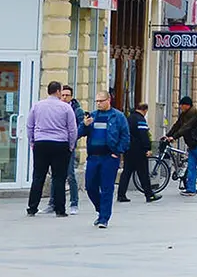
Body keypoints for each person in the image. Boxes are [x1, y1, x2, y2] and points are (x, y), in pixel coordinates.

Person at [25, 80, 77, 218]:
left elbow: (29, 125)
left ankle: (32, 207)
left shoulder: (37, 106)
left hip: (41, 143)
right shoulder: (66, 108)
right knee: (59, 177)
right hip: (60, 144)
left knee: (38, 176)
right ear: (59, 92)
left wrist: (32, 141)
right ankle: (60, 209)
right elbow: (72, 129)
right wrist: (71, 145)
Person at [80, 90, 130, 228]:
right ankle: (100, 209)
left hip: (109, 157)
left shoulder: (118, 116)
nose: (98, 104)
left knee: (107, 188)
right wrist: (85, 125)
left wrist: (118, 151)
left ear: (109, 100)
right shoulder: (93, 116)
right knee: (90, 186)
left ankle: (104, 218)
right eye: (96, 101)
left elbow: (125, 136)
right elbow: (79, 133)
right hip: (93, 157)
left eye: (101, 101)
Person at [44, 85, 86, 215]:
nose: (64, 97)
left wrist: (72, 139)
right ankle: (52, 203)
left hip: (69, 146)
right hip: (57, 144)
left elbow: (80, 128)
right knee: (55, 175)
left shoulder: (76, 110)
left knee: (70, 174)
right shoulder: (56, 107)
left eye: (67, 95)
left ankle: (74, 203)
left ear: (71, 97)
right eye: (62, 95)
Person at [118, 103, 159, 203]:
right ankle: (149, 195)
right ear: (145, 110)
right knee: (143, 173)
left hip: (128, 149)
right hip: (139, 150)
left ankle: (121, 194)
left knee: (126, 172)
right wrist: (148, 148)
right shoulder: (140, 119)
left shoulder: (129, 118)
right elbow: (144, 135)